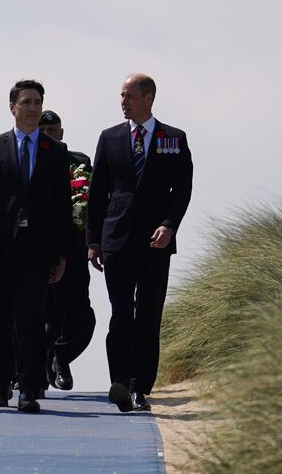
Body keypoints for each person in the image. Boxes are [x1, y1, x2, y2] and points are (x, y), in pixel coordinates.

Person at [86, 74, 193, 412]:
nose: (123, 101)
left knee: (148, 314)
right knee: (120, 313)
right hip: (116, 240)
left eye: (129, 95)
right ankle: (119, 382)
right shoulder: (110, 138)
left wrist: (169, 226)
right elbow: (96, 193)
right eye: (121, 95)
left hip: (155, 243)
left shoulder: (173, 138)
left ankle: (139, 387)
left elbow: (183, 190)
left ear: (148, 97)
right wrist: (93, 241)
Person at [0, 80, 71, 413]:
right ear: (12, 107)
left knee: (31, 316)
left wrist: (62, 254)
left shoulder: (54, 151)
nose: (33, 107)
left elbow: (61, 207)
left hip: (38, 248)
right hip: (0, 247)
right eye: (26, 102)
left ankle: (28, 388)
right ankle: (1, 385)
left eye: (37, 102)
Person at [37, 110, 96, 392]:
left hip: (74, 251)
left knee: (82, 318)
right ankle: (33, 372)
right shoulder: (28, 160)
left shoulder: (79, 162)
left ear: (62, 133)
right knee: (41, 316)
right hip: (39, 251)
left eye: (53, 130)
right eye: (43, 130)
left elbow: (93, 205)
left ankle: (60, 356)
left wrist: (95, 243)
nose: (48, 135)